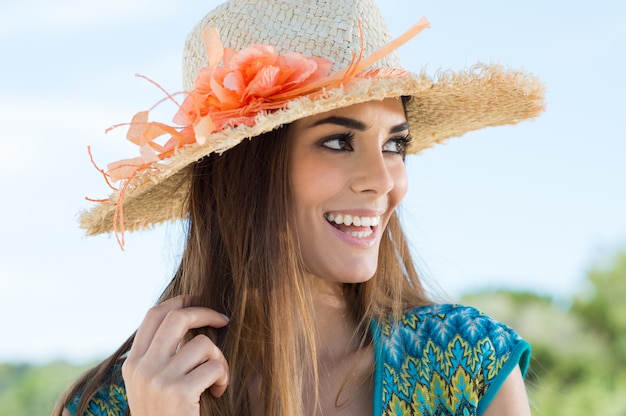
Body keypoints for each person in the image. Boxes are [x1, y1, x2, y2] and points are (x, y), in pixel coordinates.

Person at [55, 0, 545, 415]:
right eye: (337, 141)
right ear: (245, 171)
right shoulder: (118, 404)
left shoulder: (467, 365)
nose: (382, 182)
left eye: (395, 145)